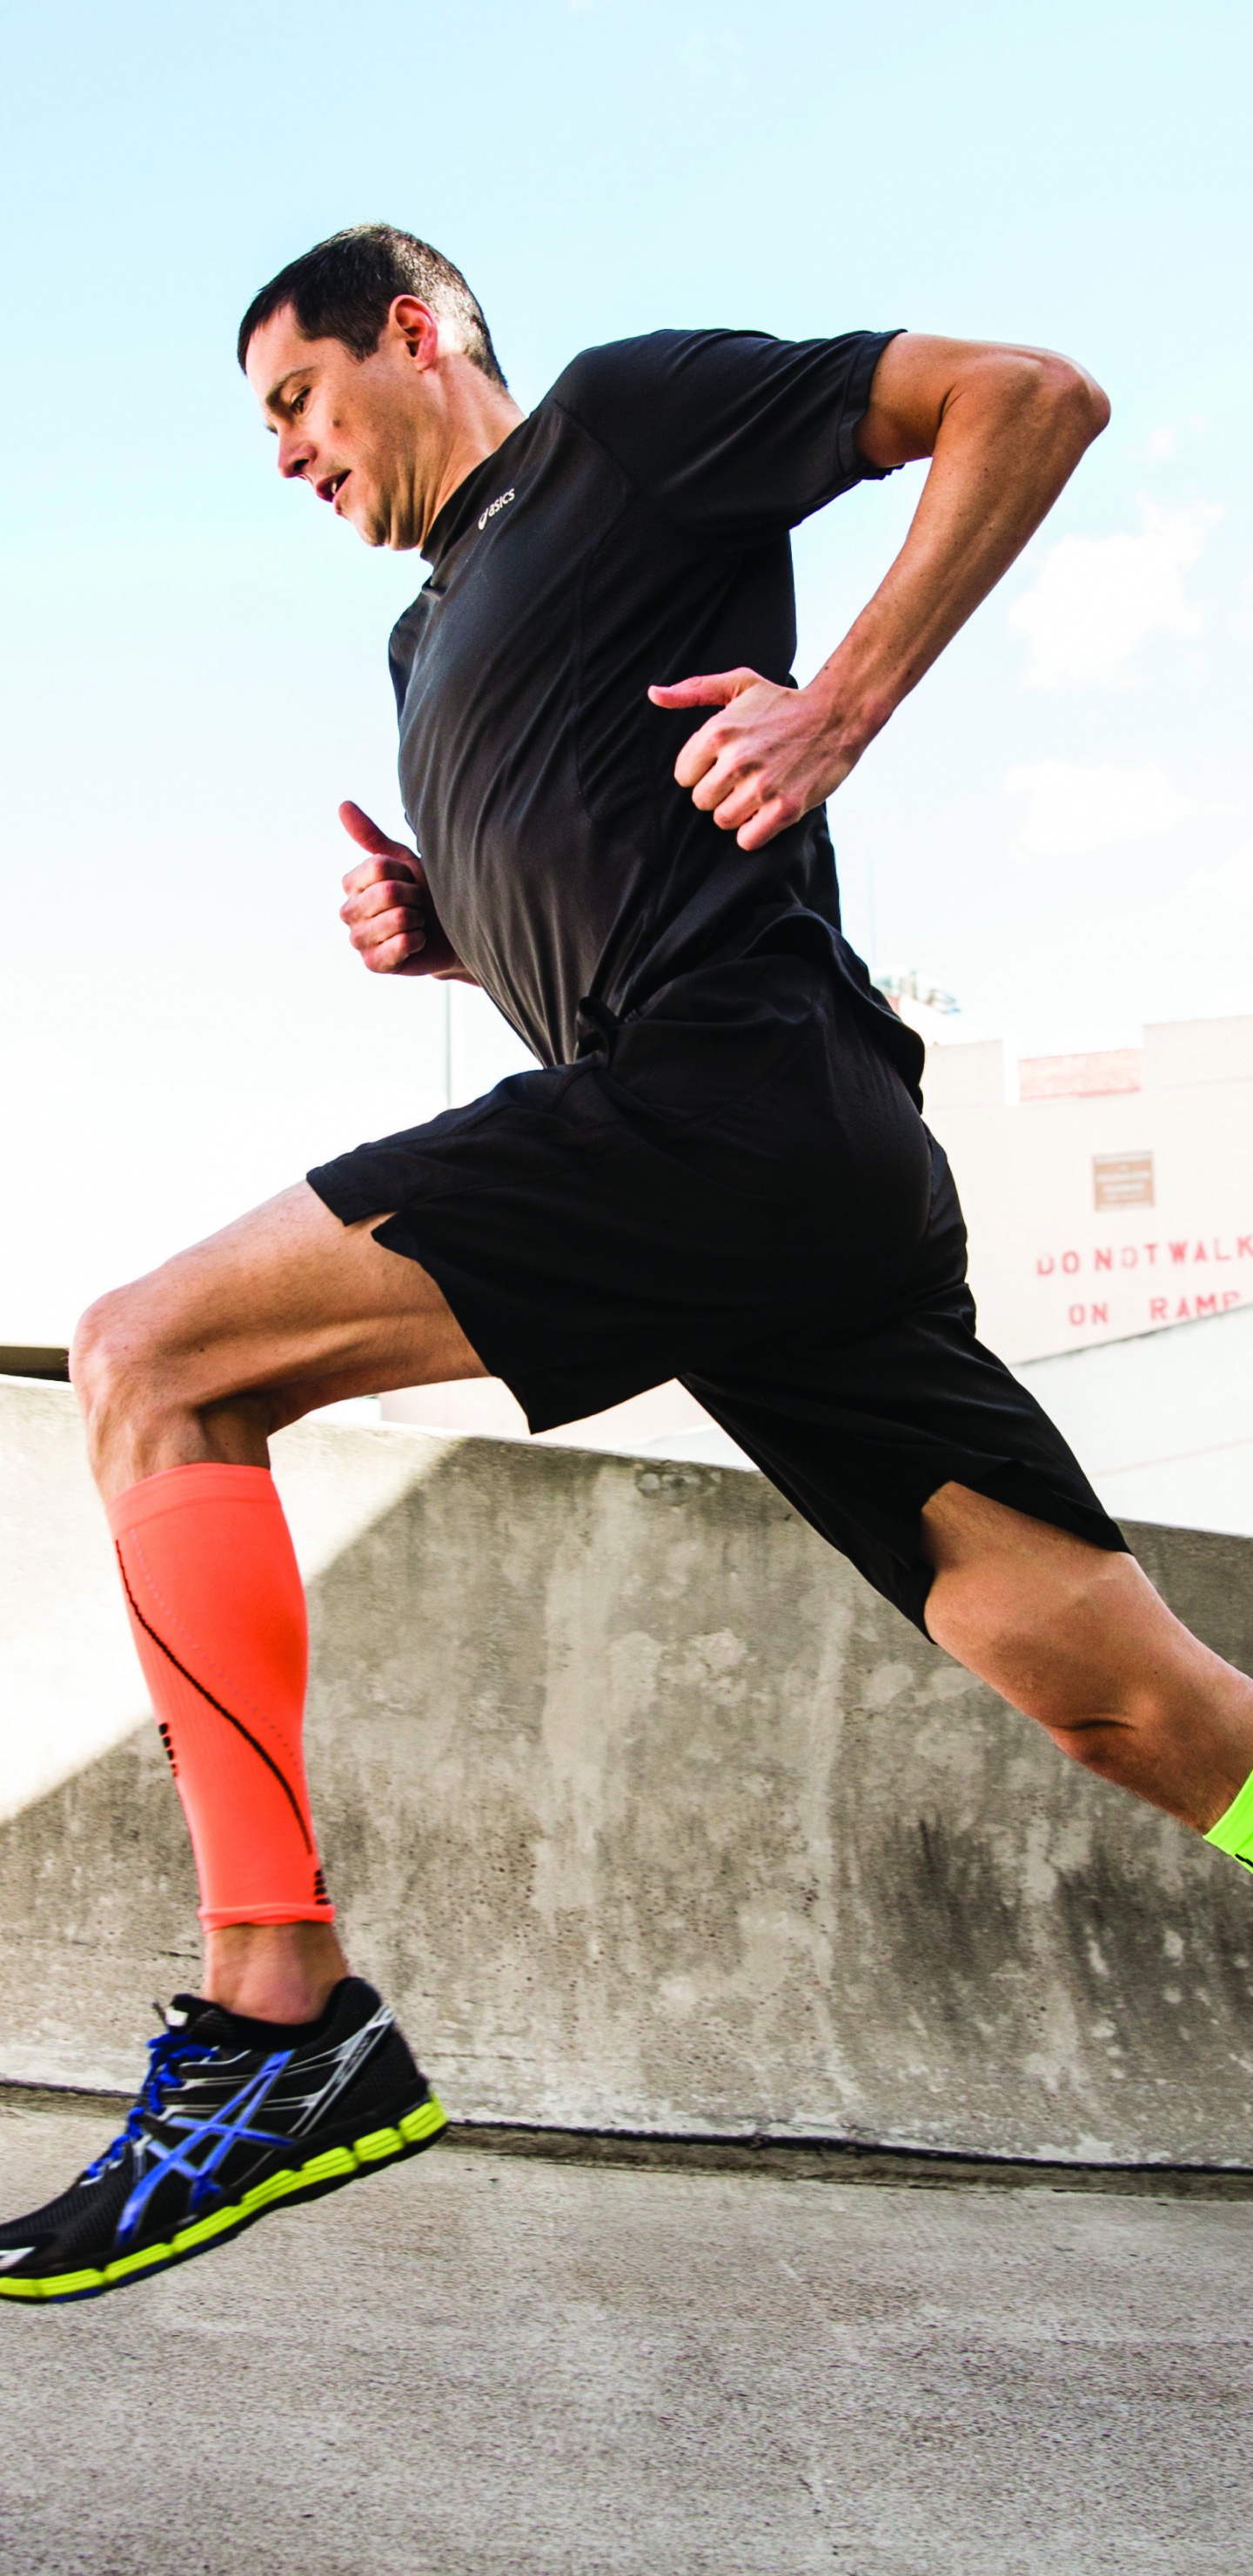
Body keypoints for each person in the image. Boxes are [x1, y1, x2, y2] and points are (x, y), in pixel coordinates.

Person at [5, 223, 1253, 2309]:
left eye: (297, 400)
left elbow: (1027, 398)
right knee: (1129, 1707)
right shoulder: (422, 648)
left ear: (416, 332)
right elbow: (600, 906)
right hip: (770, 1181)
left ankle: (275, 2022)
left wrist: (839, 706)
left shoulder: (624, 425)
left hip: (737, 1096)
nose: (286, 455)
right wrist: (458, 930)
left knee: (154, 1357)